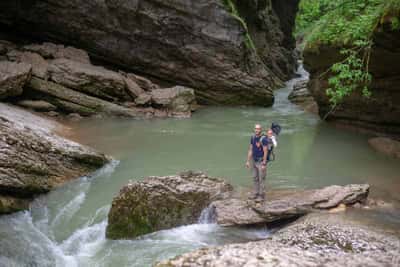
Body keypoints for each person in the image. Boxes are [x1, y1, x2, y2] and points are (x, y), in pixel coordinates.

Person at [245, 124, 269, 200]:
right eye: (255, 128)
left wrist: (264, 163)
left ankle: (261, 195)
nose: (257, 130)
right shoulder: (253, 137)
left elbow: (266, 151)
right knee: (255, 177)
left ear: (261, 130)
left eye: (258, 129)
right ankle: (255, 193)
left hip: (261, 161)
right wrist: (248, 161)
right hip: (254, 160)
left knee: (262, 179)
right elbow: (250, 149)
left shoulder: (264, 139)